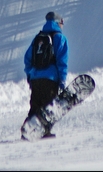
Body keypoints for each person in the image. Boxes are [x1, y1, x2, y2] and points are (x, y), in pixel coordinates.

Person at [22, 11, 69, 139]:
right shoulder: (60, 38)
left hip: (36, 78)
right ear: (58, 23)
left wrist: (30, 74)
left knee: (35, 105)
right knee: (48, 107)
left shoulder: (38, 38)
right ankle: (44, 131)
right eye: (62, 24)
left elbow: (27, 58)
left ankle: (27, 130)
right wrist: (62, 81)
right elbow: (62, 62)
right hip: (51, 79)